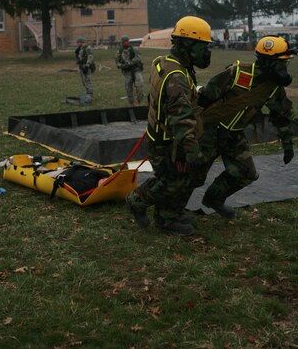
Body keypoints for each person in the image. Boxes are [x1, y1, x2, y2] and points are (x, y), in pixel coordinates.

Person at [126, 16, 212, 236]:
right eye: (203, 46)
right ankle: (138, 201)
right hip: (168, 142)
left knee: (177, 177)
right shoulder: (177, 78)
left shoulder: (166, 63)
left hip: (161, 136)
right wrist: (192, 152)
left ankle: (169, 214)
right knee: (173, 180)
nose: (206, 52)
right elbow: (182, 121)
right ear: (187, 45)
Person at [193, 35, 295, 219]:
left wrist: (287, 146)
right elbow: (206, 96)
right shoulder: (237, 72)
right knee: (193, 175)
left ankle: (213, 199)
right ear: (269, 63)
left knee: (246, 172)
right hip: (210, 132)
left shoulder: (273, 88)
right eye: (281, 63)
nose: (284, 69)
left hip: (233, 136)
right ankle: (166, 209)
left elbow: (283, 116)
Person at [115, 36, 144, 106]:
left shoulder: (134, 49)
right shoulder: (119, 52)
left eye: (128, 41)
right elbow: (117, 61)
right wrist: (121, 65)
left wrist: (129, 63)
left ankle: (139, 100)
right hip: (127, 72)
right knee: (128, 87)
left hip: (136, 69)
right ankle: (131, 102)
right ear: (122, 43)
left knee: (139, 84)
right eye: (125, 41)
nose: (127, 42)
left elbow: (138, 58)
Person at [75, 38, 95, 102]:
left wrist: (87, 66)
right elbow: (80, 57)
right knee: (84, 81)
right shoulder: (80, 49)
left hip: (87, 66)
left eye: (78, 42)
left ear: (82, 42)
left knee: (88, 80)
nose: (77, 44)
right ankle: (87, 93)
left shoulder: (88, 48)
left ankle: (90, 95)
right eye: (77, 42)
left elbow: (90, 57)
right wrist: (79, 61)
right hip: (82, 66)